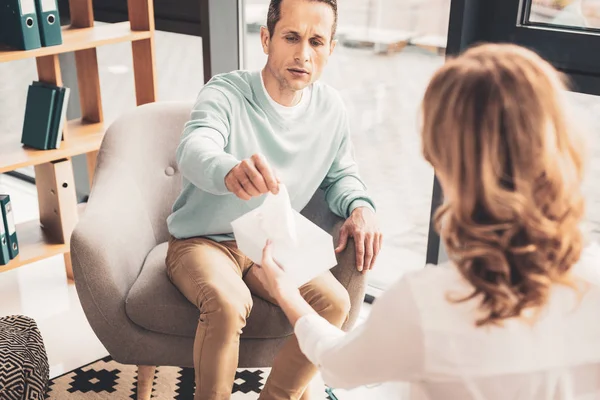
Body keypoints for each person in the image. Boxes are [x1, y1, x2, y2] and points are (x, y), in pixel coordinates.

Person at [256, 43, 600, 399]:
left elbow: (338, 365)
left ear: (446, 162)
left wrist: (285, 290)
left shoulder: (424, 303)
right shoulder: (593, 282)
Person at [165, 0, 382, 398]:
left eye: (317, 41)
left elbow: (341, 175)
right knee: (227, 305)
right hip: (203, 241)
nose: (303, 54)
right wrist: (228, 170)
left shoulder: (331, 108)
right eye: (292, 37)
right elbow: (195, 146)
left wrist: (360, 208)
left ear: (330, 50)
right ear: (266, 39)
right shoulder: (226, 91)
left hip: (270, 243)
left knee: (334, 302)